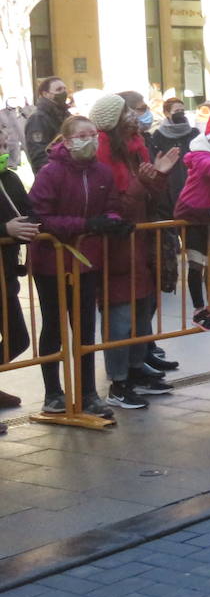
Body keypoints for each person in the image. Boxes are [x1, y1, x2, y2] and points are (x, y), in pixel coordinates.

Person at [87, 92, 179, 407]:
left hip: (138, 243)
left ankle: (136, 368)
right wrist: (143, 182)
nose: (135, 116)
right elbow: (117, 204)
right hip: (116, 247)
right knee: (120, 316)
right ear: (114, 121)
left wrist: (159, 175)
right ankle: (118, 382)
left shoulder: (132, 148)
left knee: (141, 310)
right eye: (128, 112)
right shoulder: (104, 153)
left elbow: (149, 196)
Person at [28, 116, 119, 419]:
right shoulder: (50, 173)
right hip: (51, 262)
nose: (89, 140)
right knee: (53, 325)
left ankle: (88, 392)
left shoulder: (102, 172)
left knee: (85, 328)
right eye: (82, 135)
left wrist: (114, 223)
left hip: (86, 262)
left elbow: (112, 205)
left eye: (93, 134)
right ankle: (53, 393)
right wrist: (85, 225)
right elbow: (40, 217)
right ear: (66, 141)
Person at [0, 149, 37, 420]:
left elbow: (28, 212)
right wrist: (5, 230)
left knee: (18, 339)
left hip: (6, 274)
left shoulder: (9, 177)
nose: (4, 138)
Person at [25, 76, 71, 172]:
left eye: (64, 89)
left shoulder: (65, 114)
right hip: (53, 175)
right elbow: (39, 155)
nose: (63, 92)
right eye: (59, 89)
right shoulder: (38, 118)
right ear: (45, 94)